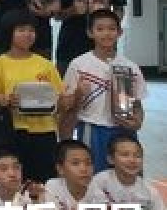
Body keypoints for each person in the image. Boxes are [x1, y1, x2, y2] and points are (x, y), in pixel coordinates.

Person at [60, 9, 146, 172]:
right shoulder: (79, 64)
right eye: (100, 29)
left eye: (112, 29)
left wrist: (137, 121)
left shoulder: (131, 67)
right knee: (92, 177)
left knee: (127, 176)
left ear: (119, 32)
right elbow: (65, 105)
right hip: (93, 129)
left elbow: (137, 104)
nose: (106, 34)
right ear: (90, 33)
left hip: (124, 130)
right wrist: (78, 94)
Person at [0, 10, 66, 185]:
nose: (28, 34)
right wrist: (6, 100)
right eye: (21, 30)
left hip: (45, 132)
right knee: (14, 182)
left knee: (43, 183)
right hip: (13, 132)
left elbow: (59, 98)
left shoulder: (45, 65)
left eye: (31, 30)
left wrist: (67, 100)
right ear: (9, 33)